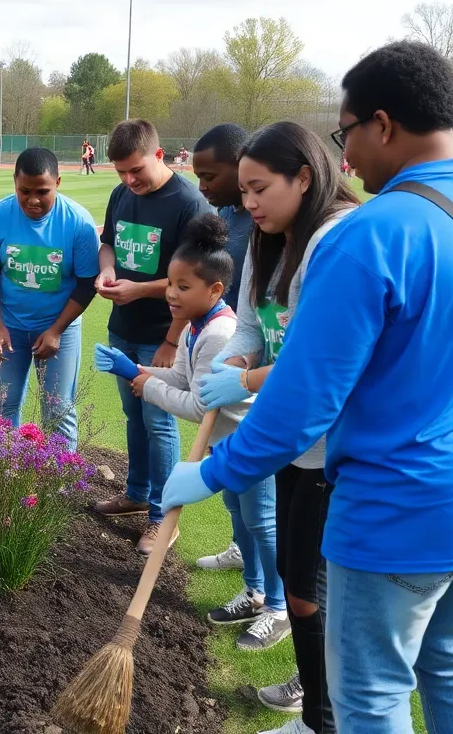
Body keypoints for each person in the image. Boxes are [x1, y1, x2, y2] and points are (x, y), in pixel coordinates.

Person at [163, 41, 453, 734]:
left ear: (384, 123)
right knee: (452, 660)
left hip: (400, 506)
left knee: (369, 699)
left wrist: (214, 472)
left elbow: (304, 402)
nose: (350, 158)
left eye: (348, 135)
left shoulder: (365, 235)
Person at [204, 121, 360, 730]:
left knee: (312, 588)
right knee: (299, 586)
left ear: (304, 176)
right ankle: (318, 705)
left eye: (258, 189)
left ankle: (322, 712)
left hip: (331, 445)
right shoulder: (268, 238)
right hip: (291, 441)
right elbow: (250, 324)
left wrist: (241, 382)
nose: (248, 205)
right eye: (242, 191)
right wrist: (234, 357)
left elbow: (313, 359)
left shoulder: (335, 242)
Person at [114, 212, 289, 655]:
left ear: (214, 290)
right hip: (226, 443)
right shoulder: (196, 326)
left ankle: (278, 606)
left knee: (263, 523)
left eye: (182, 287)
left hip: (253, 441)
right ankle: (253, 591)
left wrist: (147, 387)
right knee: (239, 512)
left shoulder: (219, 332)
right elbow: (180, 377)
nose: (171, 294)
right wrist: (136, 370)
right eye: (170, 284)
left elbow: (196, 404)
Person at [91, 119, 211, 554]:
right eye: (120, 171)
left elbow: (195, 283)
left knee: (159, 423)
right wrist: (108, 269)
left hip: (163, 333)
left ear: (159, 156)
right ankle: (136, 494)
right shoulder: (121, 194)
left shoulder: (189, 203)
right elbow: (108, 243)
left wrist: (170, 339)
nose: (128, 180)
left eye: (136, 170)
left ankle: (162, 517)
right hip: (123, 329)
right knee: (134, 417)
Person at [0, 147, 100, 448]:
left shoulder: (79, 223)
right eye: (24, 191)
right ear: (14, 183)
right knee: (4, 406)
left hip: (60, 328)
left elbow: (86, 284)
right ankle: (3, 478)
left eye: (42, 191)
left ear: (58, 182)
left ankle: (59, 488)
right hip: (11, 328)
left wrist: (56, 331)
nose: (32, 200)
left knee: (58, 410)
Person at [189, 123, 255, 574]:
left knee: (258, 494)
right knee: (233, 481)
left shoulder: (264, 221)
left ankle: (268, 592)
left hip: (256, 371)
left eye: (210, 176)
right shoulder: (228, 216)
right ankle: (242, 548)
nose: (202, 187)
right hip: (230, 353)